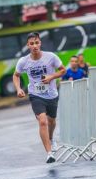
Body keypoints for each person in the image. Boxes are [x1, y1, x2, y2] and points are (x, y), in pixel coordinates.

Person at [13, 32, 66, 163]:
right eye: (32, 44)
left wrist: (51, 77)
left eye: (37, 43)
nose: (35, 46)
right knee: (43, 121)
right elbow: (16, 75)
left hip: (52, 94)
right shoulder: (23, 61)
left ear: (40, 43)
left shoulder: (51, 57)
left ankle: (51, 139)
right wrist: (19, 89)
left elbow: (63, 70)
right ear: (28, 45)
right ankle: (49, 153)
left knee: (52, 121)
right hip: (35, 95)